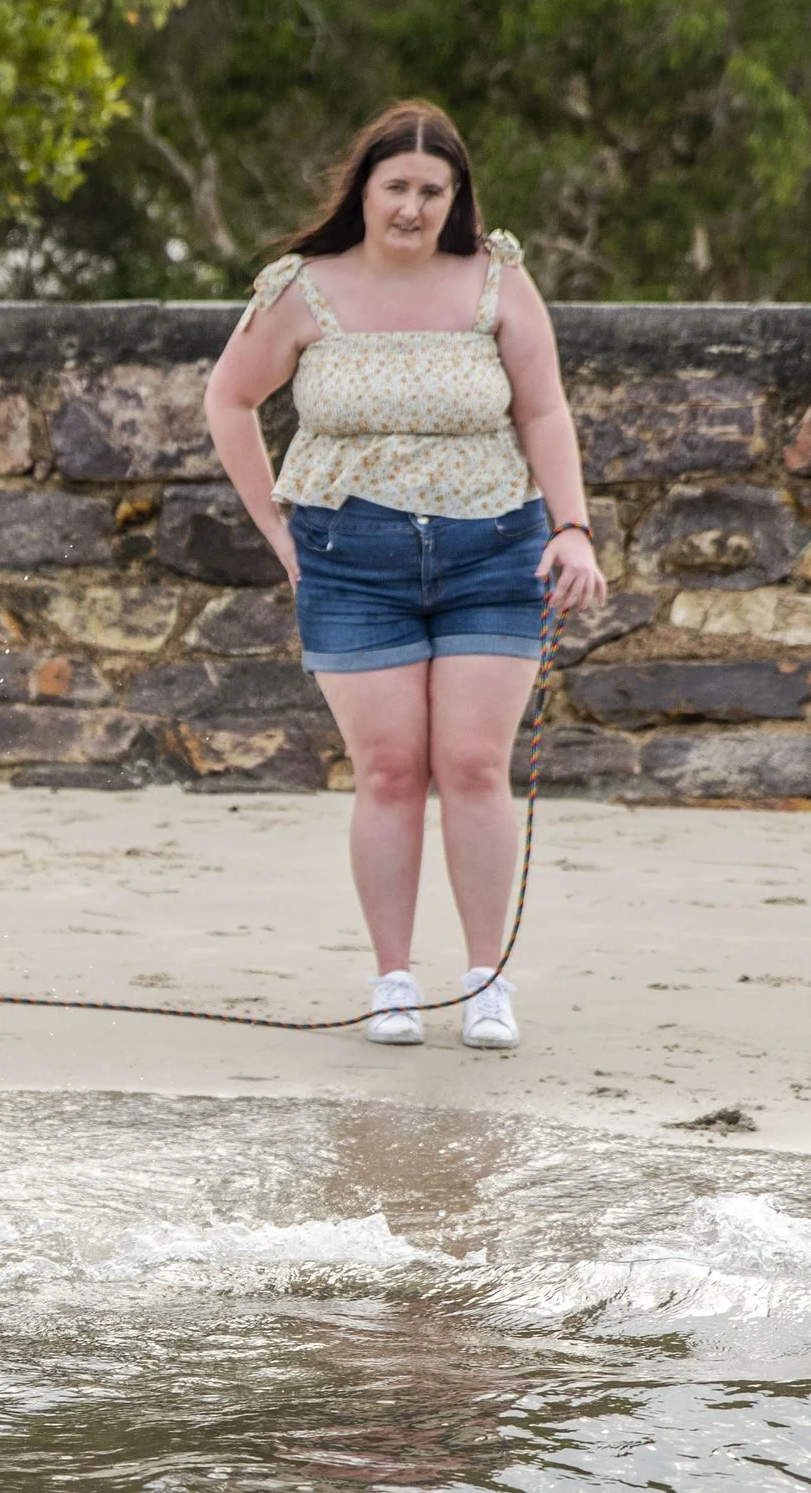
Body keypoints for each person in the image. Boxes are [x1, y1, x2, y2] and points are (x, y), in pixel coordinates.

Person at [203, 100, 608, 1050]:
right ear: (364, 189)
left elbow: (544, 411)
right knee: (389, 771)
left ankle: (485, 982)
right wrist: (276, 528)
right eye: (397, 187)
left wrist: (574, 529)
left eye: (433, 190)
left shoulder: (498, 279)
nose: (413, 208)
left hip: (493, 549)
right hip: (350, 559)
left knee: (472, 765)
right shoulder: (303, 289)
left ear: (456, 196)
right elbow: (228, 399)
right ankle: (392, 981)